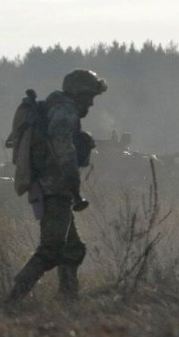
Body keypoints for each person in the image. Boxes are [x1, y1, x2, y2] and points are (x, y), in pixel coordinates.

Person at [7, 69, 107, 302]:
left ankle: (68, 300)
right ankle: (12, 299)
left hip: (52, 187)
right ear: (78, 93)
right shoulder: (65, 110)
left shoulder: (57, 107)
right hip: (55, 188)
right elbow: (62, 144)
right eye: (89, 96)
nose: (91, 103)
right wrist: (73, 178)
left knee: (72, 250)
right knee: (51, 249)